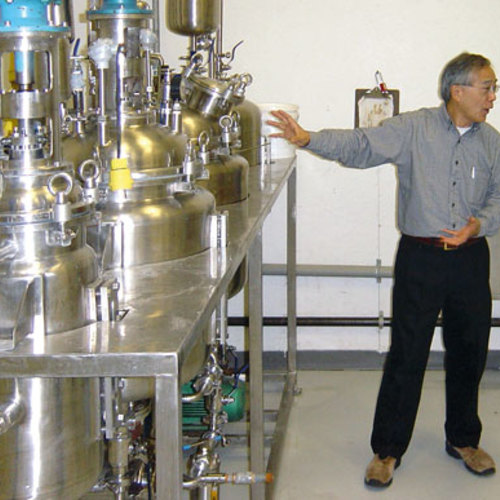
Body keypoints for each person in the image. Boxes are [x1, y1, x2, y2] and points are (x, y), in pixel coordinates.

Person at [268, 52, 500, 488]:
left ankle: (464, 440)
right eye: (487, 87)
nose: (492, 97)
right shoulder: (414, 128)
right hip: (421, 257)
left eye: (493, 89)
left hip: (471, 259)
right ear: (458, 90)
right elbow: (361, 146)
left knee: (470, 351)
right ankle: (388, 449)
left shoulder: (492, 142)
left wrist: (479, 224)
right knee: (407, 354)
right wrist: (307, 138)